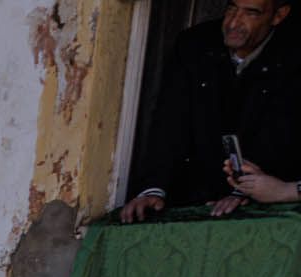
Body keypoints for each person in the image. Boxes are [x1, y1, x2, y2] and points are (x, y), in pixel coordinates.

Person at [120, 0, 301, 219]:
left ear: (279, 15)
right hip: (196, 195)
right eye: (232, 8)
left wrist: (258, 190)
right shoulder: (195, 44)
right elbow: (169, 122)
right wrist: (154, 188)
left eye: (251, 13)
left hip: (268, 203)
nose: (234, 22)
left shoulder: (294, 53)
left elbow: (281, 131)